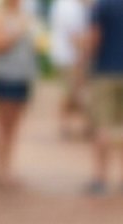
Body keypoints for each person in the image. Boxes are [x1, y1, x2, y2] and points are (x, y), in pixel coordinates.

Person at [0, 0, 40, 189]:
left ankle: (7, 168)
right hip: (5, 76)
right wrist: (19, 31)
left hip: (22, 76)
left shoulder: (24, 16)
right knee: (3, 126)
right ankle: (0, 171)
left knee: (13, 127)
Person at [86, 0, 123, 194]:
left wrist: (84, 65)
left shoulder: (103, 5)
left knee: (102, 126)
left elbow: (94, 37)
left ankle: (100, 178)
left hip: (105, 72)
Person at [49, 0, 91, 138]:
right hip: (71, 57)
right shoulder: (70, 7)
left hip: (64, 56)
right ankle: (70, 126)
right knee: (72, 92)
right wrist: (82, 56)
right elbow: (75, 35)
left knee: (69, 92)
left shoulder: (62, 5)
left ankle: (67, 126)